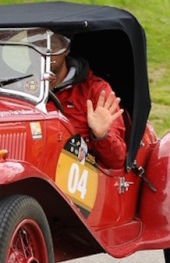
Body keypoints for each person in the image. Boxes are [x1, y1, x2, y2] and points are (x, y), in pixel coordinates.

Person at [49, 41, 127, 170]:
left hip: (83, 174)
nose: (44, 52)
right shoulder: (15, 87)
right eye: (36, 44)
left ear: (66, 48)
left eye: (53, 45)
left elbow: (117, 162)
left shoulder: (95, 90)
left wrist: (101, 136)